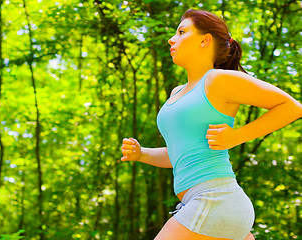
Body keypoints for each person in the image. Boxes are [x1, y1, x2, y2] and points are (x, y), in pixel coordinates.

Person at [120, 9, 302, 240]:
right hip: (211, 205)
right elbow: (181, 154)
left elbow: (292, 107)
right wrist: (142, 154)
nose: (171, 39)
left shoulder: (217, 79)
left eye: (182, 31)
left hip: (213, 198)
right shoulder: (176, 93)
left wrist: (237, 136)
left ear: (205, 40)